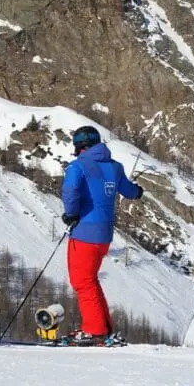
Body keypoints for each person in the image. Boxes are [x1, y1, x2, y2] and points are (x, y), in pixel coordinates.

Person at [60, 126, 143, 342]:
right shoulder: (115, 167)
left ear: (79, 147)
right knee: (91, 280)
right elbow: (130, 191)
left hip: (84, 233)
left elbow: (70, 190)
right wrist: (138, 190)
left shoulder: (78, 166)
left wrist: (71, 213)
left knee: (82, 282)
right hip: (105, 235)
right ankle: (102, 326)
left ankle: (95, 331)